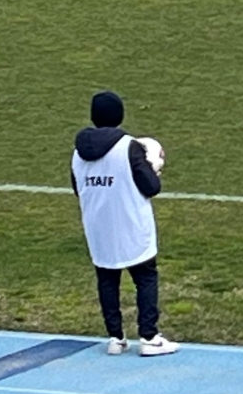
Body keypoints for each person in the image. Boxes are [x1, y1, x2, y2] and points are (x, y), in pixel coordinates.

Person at [71, 90, 177, 357]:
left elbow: (78, 188)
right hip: (131, 224)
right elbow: (151, 187)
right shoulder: (129, 147)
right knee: (145, 277)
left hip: (98, 227)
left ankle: (115, 338)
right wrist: (154, 170)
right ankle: (149, 336)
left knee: (107, 280)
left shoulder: (78, 154)